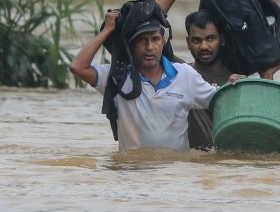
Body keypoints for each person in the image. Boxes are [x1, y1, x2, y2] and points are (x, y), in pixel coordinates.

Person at [155, 0, 280, 150]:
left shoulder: (239, 82)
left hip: (230, 163)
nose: (204, 46)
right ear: (188, 42)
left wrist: (267, 76)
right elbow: (146, 24)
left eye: (210, 39)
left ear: (222, 39)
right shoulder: (180, 73)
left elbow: (268, 131)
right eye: (197, 40)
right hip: (191, 165)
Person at [69, 8, 222, 152]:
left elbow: (221, 100)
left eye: (155, 39)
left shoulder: (185, 74)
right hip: (132, 169)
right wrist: (107, 30)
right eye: (142, 40)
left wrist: (233, 82)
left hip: (175, 170)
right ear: (132, 45)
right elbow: (77, 67)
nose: (149, 47)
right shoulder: (118, 76)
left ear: (163, 42)